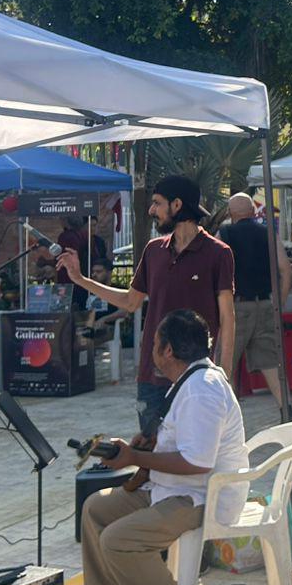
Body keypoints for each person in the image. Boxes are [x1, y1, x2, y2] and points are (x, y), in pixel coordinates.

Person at [68, 309, 249, 585]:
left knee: (118, 539)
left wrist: (136, 457)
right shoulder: (190, 381)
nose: (150, 348)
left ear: (168, 351)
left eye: (154, 343)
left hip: (202, 497)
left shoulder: (201, 390)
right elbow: (184, 444)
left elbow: (196, 462)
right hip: (175, 488)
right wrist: (149, 444)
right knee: (95, 509)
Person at [59, 176, 235, 433]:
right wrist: (80, 280)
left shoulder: (219, 253)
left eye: (157, 203)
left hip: (198, 378)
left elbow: (227, 318)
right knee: (151, 450)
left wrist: (223, 374)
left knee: (194, 455)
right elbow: (130, 302)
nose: (151, 210)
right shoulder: (153, 251)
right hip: (152, 376)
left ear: (177, 205)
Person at [216, 193, 292, 410]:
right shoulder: (268, 233)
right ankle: (286, 410)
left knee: (225, 366)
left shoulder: (225, 234)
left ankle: (229, 417)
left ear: (231, 214)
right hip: (265, 304)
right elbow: (286, 271)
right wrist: (279, 303)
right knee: (270, 363)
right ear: (252, 212)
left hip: (236, 307)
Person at [56, 216, 107, 309]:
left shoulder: (68, 237)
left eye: (95, 225)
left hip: (80, 280)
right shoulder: (81, 236)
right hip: (80, 279)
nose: (93, 228)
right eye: (90, 226)